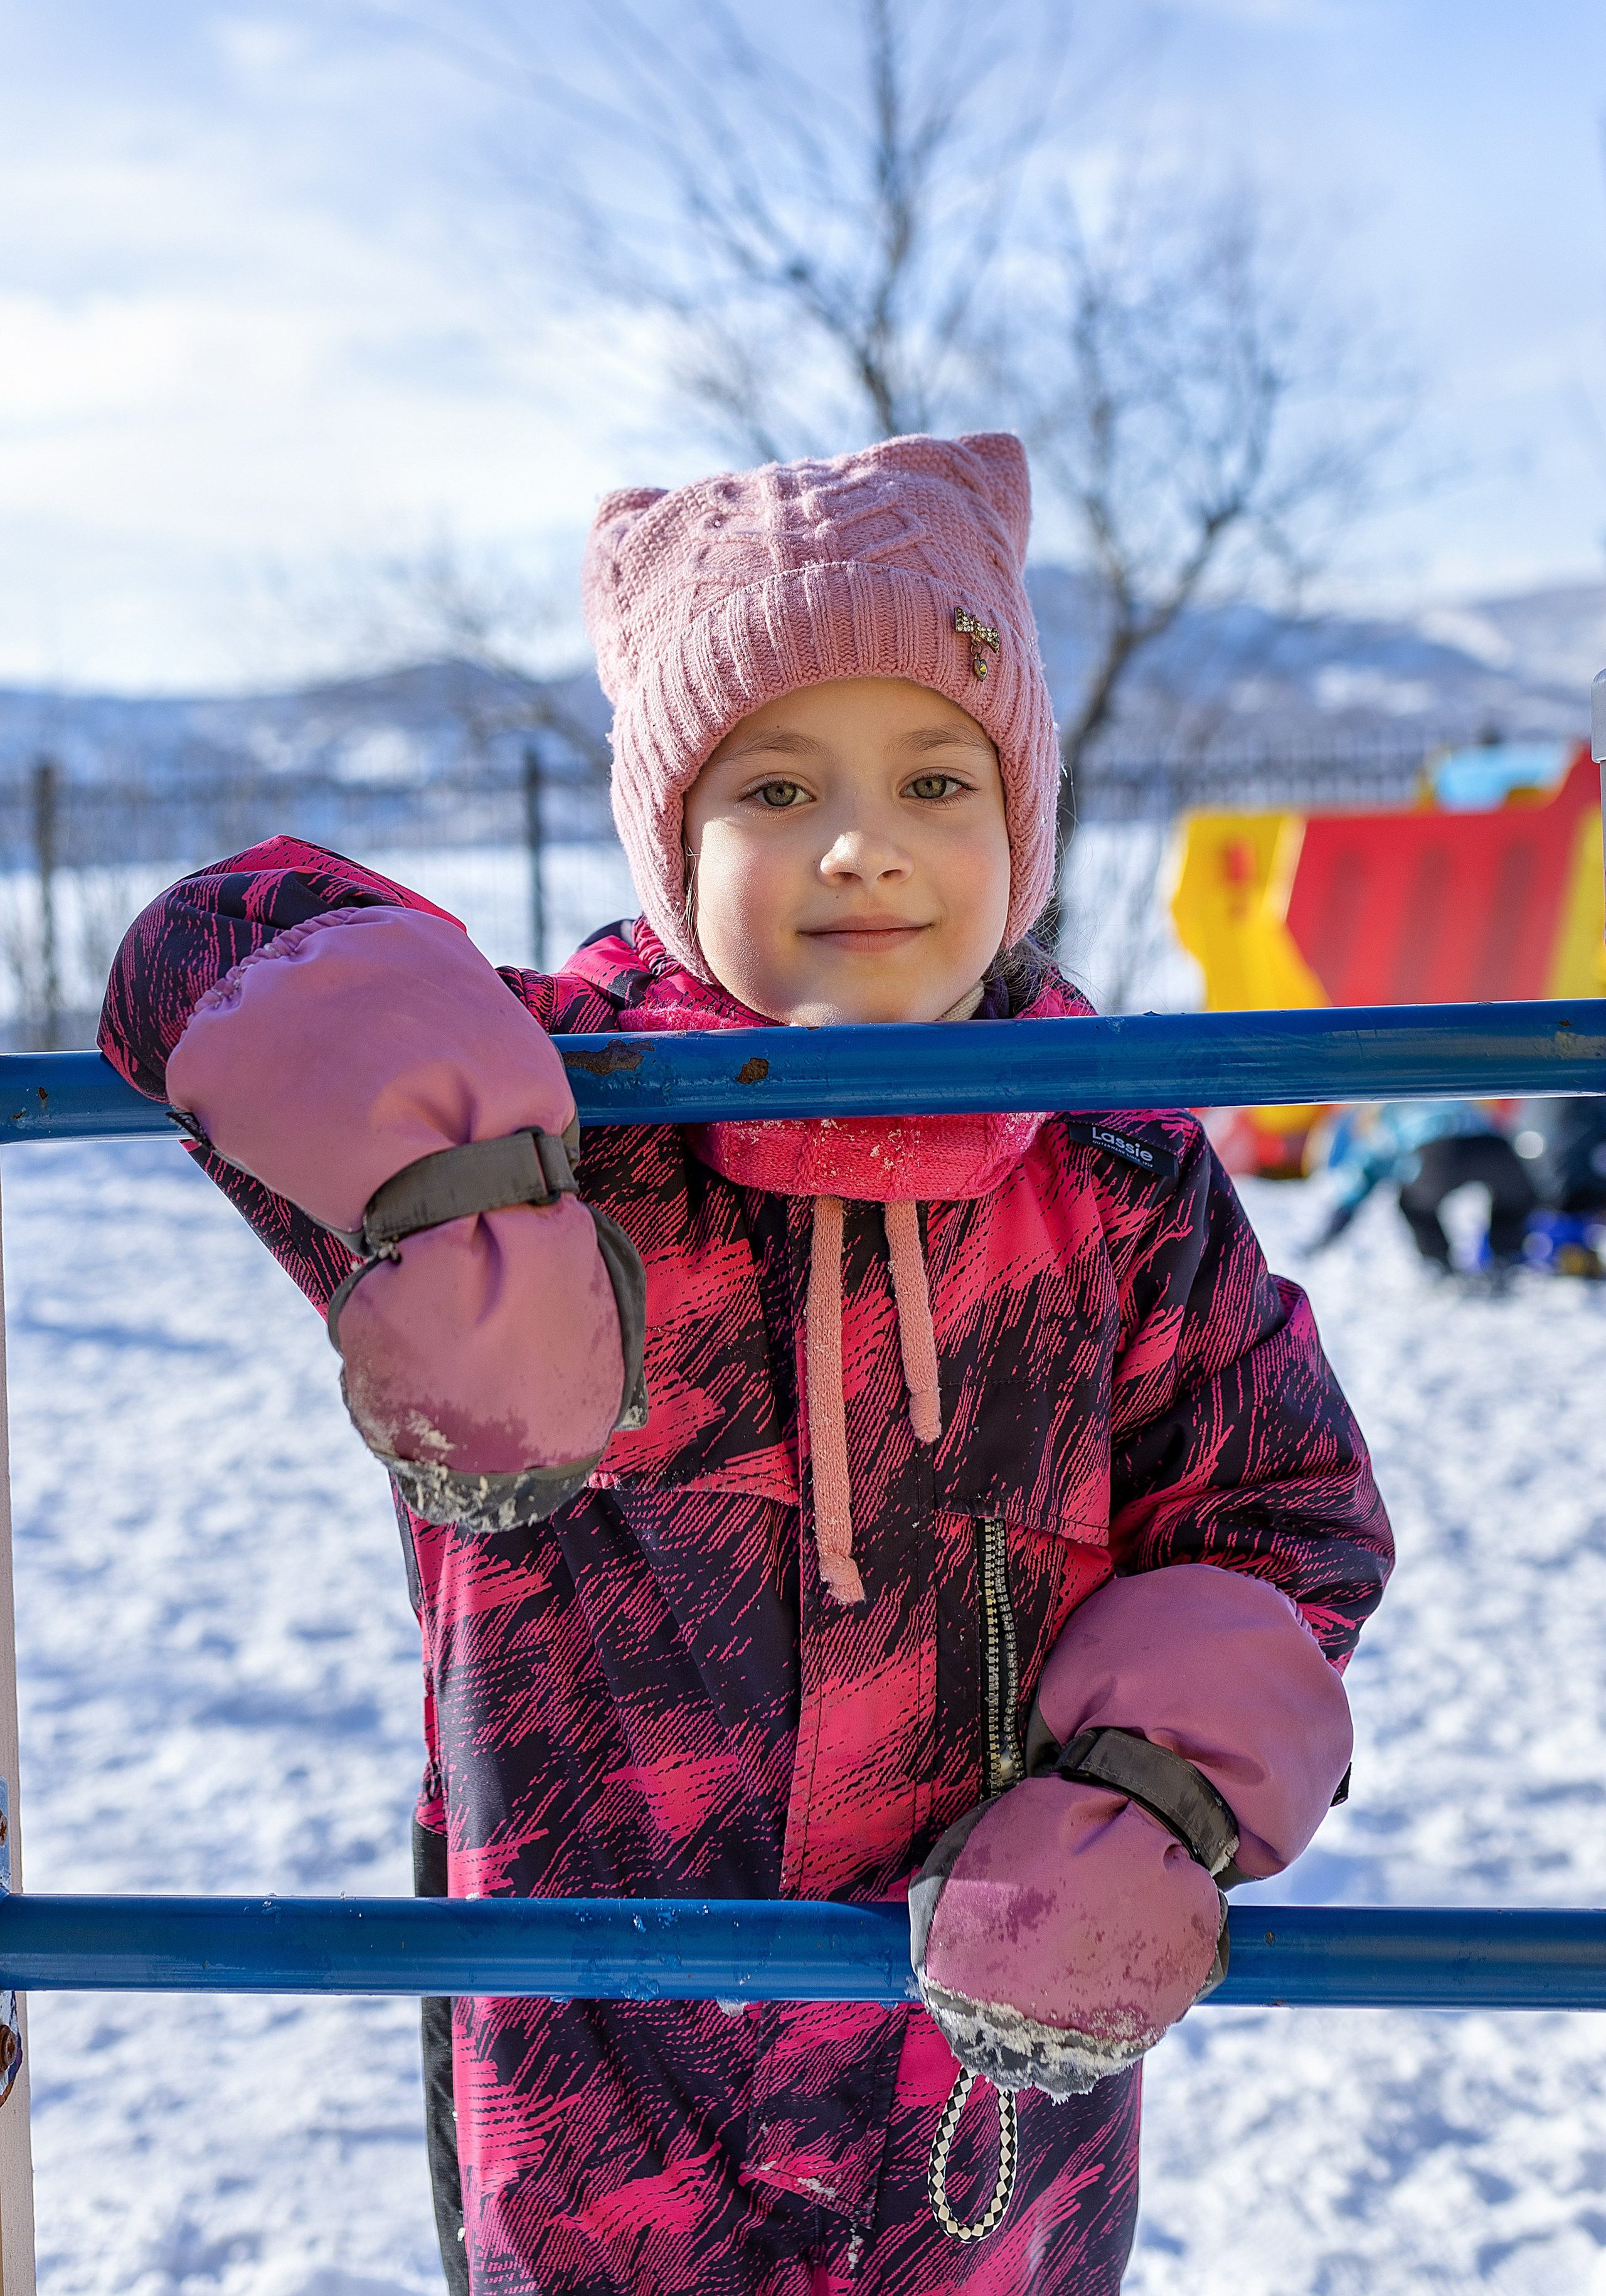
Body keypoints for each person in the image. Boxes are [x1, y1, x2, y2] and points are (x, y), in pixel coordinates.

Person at [100, 434, 1391, 2295]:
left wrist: (1153, 1791)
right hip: (596, 2092)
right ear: (670, 836)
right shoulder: (578, 1110)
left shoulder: (1112, 1169)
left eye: (934, 779)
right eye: (774, 785)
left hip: (985, 2111)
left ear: (1015, 828)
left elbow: (1281, 1516)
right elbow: (208, 949)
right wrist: (454, 1184)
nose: (861, 842)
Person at [1308, 1100, 1536, 1275]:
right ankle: (1507, 1258)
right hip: (1497, 1148)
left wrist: (1334, 1226)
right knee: (1512, 1197)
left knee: (1412, 1202)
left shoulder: (1383, 1119)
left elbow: (1362, 1174)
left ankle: (1439, 1263)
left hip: (1439, 1152)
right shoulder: (1443, 1095)